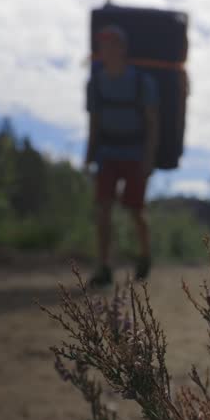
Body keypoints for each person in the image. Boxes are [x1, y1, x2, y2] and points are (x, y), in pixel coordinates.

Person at [85, 25, 159, 287]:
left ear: (122, 48)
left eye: (111, 44)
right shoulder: (95, 84)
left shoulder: (142, 82)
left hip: (135, 154)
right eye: (102, 45)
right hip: (107, 154)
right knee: (103, 209)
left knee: (135, 210)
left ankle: (145, 256)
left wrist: (149, 159)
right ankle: (104, 266)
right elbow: (94, 123)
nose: (106, 49)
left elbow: (152, 123)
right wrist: (89, 157)